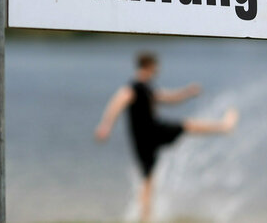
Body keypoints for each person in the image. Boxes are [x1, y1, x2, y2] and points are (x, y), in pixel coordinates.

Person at [94, 52, 239, 222]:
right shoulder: (133, 87)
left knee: (147, 180)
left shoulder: (147, 88)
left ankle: (144, 218)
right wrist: (105, 126)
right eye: (156, 67)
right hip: (151, 132)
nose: (158, 70)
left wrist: (187, 93)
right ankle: (224, 127)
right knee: (188, 125)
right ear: (149, 66)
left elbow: (168, 98)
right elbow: (117, 103)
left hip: (142, 138)